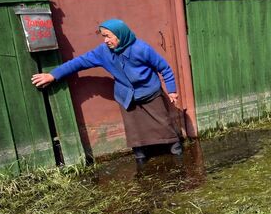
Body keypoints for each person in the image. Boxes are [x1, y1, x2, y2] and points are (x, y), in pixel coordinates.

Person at [31, 18, 182, 163]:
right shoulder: (103, 52)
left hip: (150, 93)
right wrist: (53, 75)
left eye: (108, 36)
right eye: (103, 37)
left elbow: (165, 68)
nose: (105, 40)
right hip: (127, 96)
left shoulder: (141, 48)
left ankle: (176, 150)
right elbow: (79, 62)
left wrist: (171, 90)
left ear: (120, 35)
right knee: (134, 129)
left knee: (163, 123)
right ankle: (140, 157)